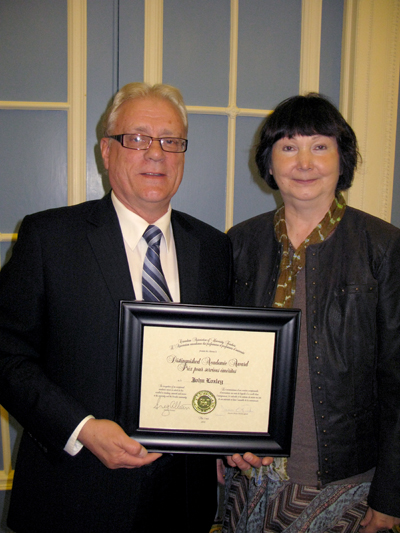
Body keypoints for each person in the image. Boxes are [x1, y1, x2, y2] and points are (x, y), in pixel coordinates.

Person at [0, 82, 232, 532]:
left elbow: (217, 359)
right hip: (74, 495)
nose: (156, 153)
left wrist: (226, 437)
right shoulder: (49, 238)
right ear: (106, 152)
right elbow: (6, 353)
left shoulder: (213, 247)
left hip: (183, 500)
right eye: (138, 138)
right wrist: (82, 427)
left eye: (171, 141)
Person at [220, 93, 400, 533]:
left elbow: (399, 378)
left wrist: (393, 495)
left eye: (320, 146)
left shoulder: (383, 247)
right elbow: (222, 358)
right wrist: (221, 441)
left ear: (343, 158)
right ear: (269, 162)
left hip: (346, 481)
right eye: (288, 147)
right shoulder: (240, 243)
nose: (304, 162)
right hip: (252, 475)